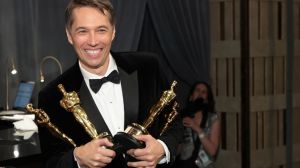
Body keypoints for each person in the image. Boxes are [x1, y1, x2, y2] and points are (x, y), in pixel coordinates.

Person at [37, 0, 183, 167]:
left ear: (113, 32)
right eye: (82, 31)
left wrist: (163, 148)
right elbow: (51, 162)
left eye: (101, 30)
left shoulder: (149, 67)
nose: (93, 41)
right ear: (69, 35)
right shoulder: (51, 97)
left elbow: (175, 122)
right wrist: (76, 158)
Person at [175, 81, 220, 168]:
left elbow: (213, 151)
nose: (200, 94)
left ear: (207, 99)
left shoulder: (213, 119)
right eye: (197, 90)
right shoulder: (182, 116)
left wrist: (196, 127)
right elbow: (177, 150)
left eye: (204, 92)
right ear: (191, 96)